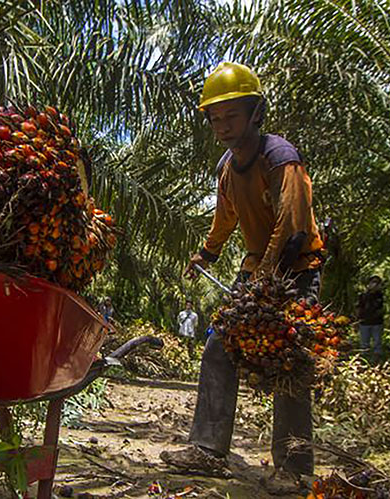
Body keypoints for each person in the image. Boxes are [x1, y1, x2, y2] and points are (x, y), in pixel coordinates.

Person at [160, 62, 325, 493]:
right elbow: (226, 215)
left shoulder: (281, 159)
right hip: (257, 271)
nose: (221, 125)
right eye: (215, 117)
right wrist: (208, 253)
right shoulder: (228, 167)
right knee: (219, 346)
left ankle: (293, 468)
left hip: (297, 270)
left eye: (231, 115)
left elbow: (291, 228)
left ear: (255, 113)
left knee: (291, 362)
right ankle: (208, 449)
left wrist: (265, 281)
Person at [356, 276, 384, 361]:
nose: (375, 285)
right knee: (364, 343)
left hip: (377, 323)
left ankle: (377, 358)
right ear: (369, 284)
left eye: (377, 283)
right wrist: (357, 319)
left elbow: (382, 308)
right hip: (364, 322)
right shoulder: (363, 295)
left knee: (377, 342)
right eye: (373, 282)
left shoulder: (380, 295)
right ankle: (364, 359)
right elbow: (358, 307)